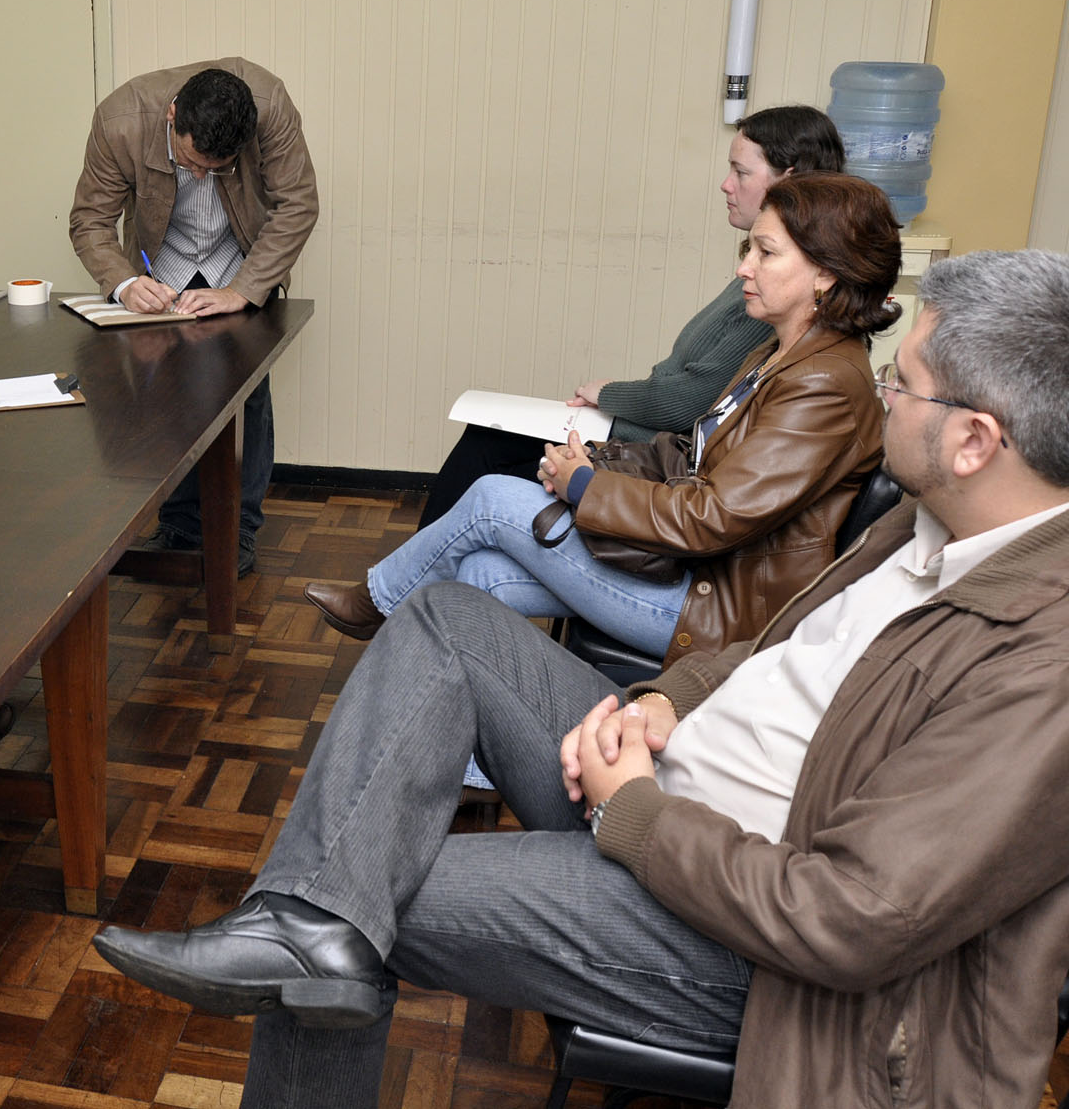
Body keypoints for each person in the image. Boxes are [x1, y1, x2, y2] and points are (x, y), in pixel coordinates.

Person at [94, 248, 1069, 1108]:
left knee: (352, 900)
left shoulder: (1043, 664)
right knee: (443, 616)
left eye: (903, 385)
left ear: (977, 438)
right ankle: (312, 926)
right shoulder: (931, 520)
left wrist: (635, 809)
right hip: (663, 787)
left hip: (752, 945)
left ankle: (314, 929)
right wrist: (664, 700)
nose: (882, 397)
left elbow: (850, 921)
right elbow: (775, 650)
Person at [306, 172, 899, 669]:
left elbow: (714, 518)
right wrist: (594, 461)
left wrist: (586, 486)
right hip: (693, 575)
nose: (745, 267)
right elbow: (690, 454)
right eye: (751, 249)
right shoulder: (782, 352)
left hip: (718, 608)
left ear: (826, 273)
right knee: (480, 576)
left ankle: (377, 600)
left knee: (489, 496)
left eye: (765, 253)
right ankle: (474, 769)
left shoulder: (826, 384)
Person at [417, 105, 846, 531]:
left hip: (661, 454)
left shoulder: (781, 291)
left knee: (486, 451)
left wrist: (609, 394)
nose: (726, 185)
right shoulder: (760, 275)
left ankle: (400, 590)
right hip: (652, 439)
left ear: (787, 180)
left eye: (741, 172)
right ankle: (413, 587)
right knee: (487, 442)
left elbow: (691, 402)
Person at [70, 60, 320, 575]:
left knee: (246, 388)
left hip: (239, 256)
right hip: (162, 261)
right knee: (163, 389)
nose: (202, 175)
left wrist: (244, 290)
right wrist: (122, 282)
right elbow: (91, 219)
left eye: (218, 166)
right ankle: (180, 523)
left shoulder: (270, 106)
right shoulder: (120, 120)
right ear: (172, 115)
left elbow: (297, 204)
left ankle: (239, 529)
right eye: (192, 162)